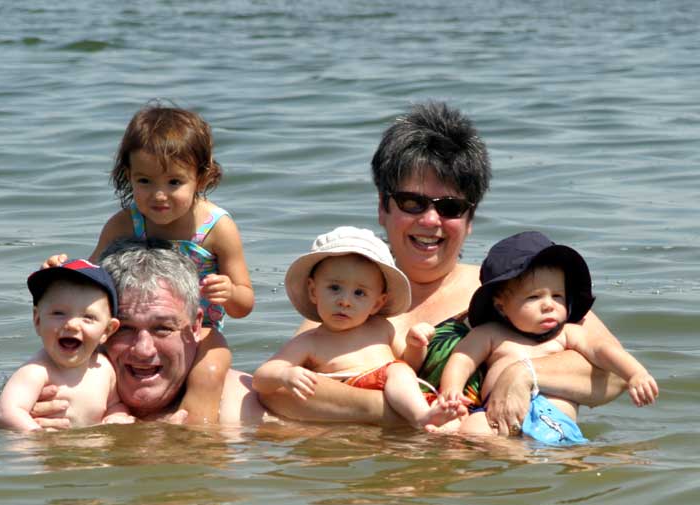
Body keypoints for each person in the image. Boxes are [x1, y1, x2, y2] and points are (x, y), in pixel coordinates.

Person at [258, 101, 627, 433]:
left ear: (470, 219)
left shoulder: (506, 290)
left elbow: (612, 377)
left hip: (491, 474)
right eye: (411, 202)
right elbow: (277, 394)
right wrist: (405, 412)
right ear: (383, 208)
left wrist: (524, 372)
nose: (431, 220)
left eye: (450, 207)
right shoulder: (340, 302)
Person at [47, 102, 254, 422]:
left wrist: (229, 292)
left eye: (174, 182)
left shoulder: (217, 227)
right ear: (128, 176)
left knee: (211, 371)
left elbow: (245, 304)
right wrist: (63, 272)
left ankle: (195, 429)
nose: (159, 195)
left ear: (202, 178)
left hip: (201, 329)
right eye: (145, 181)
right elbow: (92, 279)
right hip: (128, 325)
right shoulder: (124, 223)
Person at [8, 238, 268, 430]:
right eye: (126, 328)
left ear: (196, 325)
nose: (143, 350)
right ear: (102, 329)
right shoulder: (51, 397)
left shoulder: (246, 409)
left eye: (163, 328)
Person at [439, 231, 659, 443]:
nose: (549, 305)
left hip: (553, 419)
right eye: (534, 297)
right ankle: (507, 456)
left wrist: (635, 373)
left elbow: (603, 351)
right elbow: (462, 358)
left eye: (557, 295)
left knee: (562, 450)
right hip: (495, 415)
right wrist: (452, 390)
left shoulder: (568, 333)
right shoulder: (490, 334)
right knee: (470, 429)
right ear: (501, 306)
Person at [252, 226, 469, 429]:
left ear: (377, 303)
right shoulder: (310, 340)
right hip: (350, 394)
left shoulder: (381, 328)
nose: (345, 301)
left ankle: (429, 420)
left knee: (446, 415)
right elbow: (261, 378)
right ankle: (422, 418)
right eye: (334, 288)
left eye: (359, 293)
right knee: (397, 370)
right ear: (313, 291)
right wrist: (285, 375)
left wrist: (415, 344)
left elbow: (410, 363)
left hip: (398, 394)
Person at [0, 259, 132, 431]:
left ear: (107, 330)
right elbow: (7, 412)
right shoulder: (36, 372)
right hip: (49, 453)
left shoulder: (104, 369)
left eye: (88, 317)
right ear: (37, 321)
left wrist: (116, 415)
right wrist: (39, 438)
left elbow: (114, 403)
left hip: (92, 456)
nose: (72, 325)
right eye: (59, 313)